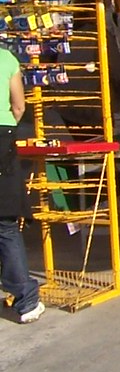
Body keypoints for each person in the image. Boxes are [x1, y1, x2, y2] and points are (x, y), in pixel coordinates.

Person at [0, 47, 43, 323]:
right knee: (5, 224)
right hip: (2, 136)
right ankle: (26, 300)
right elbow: (19, 106)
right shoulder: (6, 58)